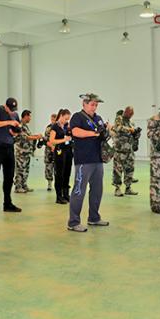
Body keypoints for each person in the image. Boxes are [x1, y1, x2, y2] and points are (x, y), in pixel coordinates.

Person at [67, 93, 110, 232]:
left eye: (96, 105)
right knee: (79, 191)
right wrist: (95, 133)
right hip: (83, 160)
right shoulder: (77, 117)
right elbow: (76, 132)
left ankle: (94, 218)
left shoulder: (98, 118)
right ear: (84, 104)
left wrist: (107, 131)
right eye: (92, 104)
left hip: (98, 160)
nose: (94, 107)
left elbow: (103, 134)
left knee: (97, 190)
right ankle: (73, 222)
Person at [112, 106, 138, 197]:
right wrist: (129, 129)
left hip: (129, 150)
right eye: (129, 113)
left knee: (130, 169)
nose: (130, 116)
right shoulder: (119, 118)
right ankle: (117, 188)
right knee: (118, 170)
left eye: (132, 114)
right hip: (120, 150)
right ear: (126, 112)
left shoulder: (131, 122)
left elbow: (133, 133)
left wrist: (136, 133)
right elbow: (117, 128)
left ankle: (128, 188)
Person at [14, 110, 43, 193]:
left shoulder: (25, 126)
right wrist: (36, 137)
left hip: (26, 152)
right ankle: (18, 187)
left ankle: (24, 185)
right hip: (21, 152)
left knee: (26, 169)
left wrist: (36, 136)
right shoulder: (20, 125)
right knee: (20, 169)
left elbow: (29, 136)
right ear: (25, 116)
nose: (30, 118)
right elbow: (25, 137)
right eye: (29, 116)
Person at [49, 109, 73, 204]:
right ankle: (59, 196)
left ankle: (66, 194)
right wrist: (63, 140)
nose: (67, 121)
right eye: (66, 118)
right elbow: (51, 141)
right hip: (59, 151)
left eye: (68, 119)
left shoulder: (67, 126)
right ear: (61, 116)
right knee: (59, 174)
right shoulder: (55, 126)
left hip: (68, 151)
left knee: (67, 173)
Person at [43, 114, 57, 191]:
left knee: (58, 168)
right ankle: (49, 183)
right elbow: (46, 139)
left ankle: (58, 184)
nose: (53, 120)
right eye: (52, 119)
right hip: (49, 151)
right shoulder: (48, 128)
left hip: (57, 150)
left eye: (54, 119)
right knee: (49, 167)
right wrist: (51, 146)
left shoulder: (59, 128)